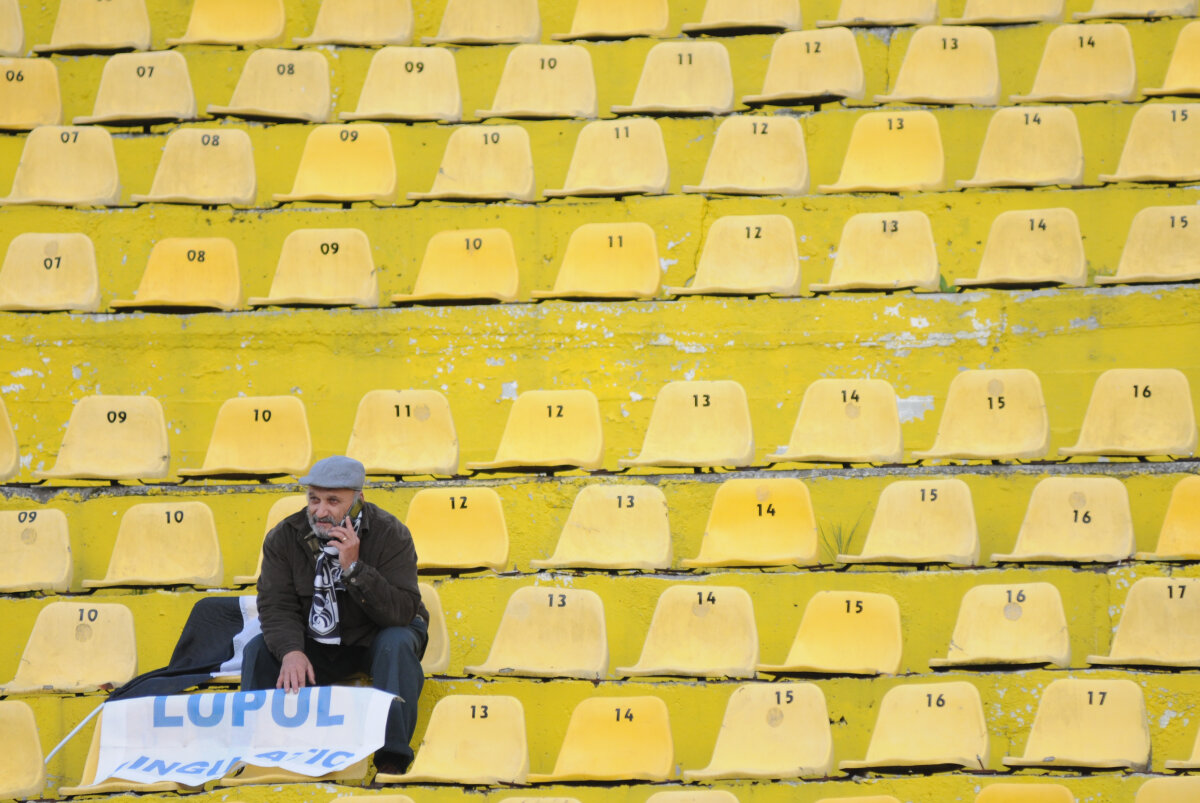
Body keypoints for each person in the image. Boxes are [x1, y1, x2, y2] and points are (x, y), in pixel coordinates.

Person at [241, 455, 428, 775]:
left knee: (396, 643)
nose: (320, 510)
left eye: (332, 500)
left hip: (375, 637)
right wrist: (291, 650)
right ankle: (259, 755)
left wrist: (354, 568)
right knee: (258, 650)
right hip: (316, 641)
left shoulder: (390, 533)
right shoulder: (284, 536)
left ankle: (391, 759)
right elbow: (275, 604)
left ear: (358, 501)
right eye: (314, 499)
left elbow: (401, 612)